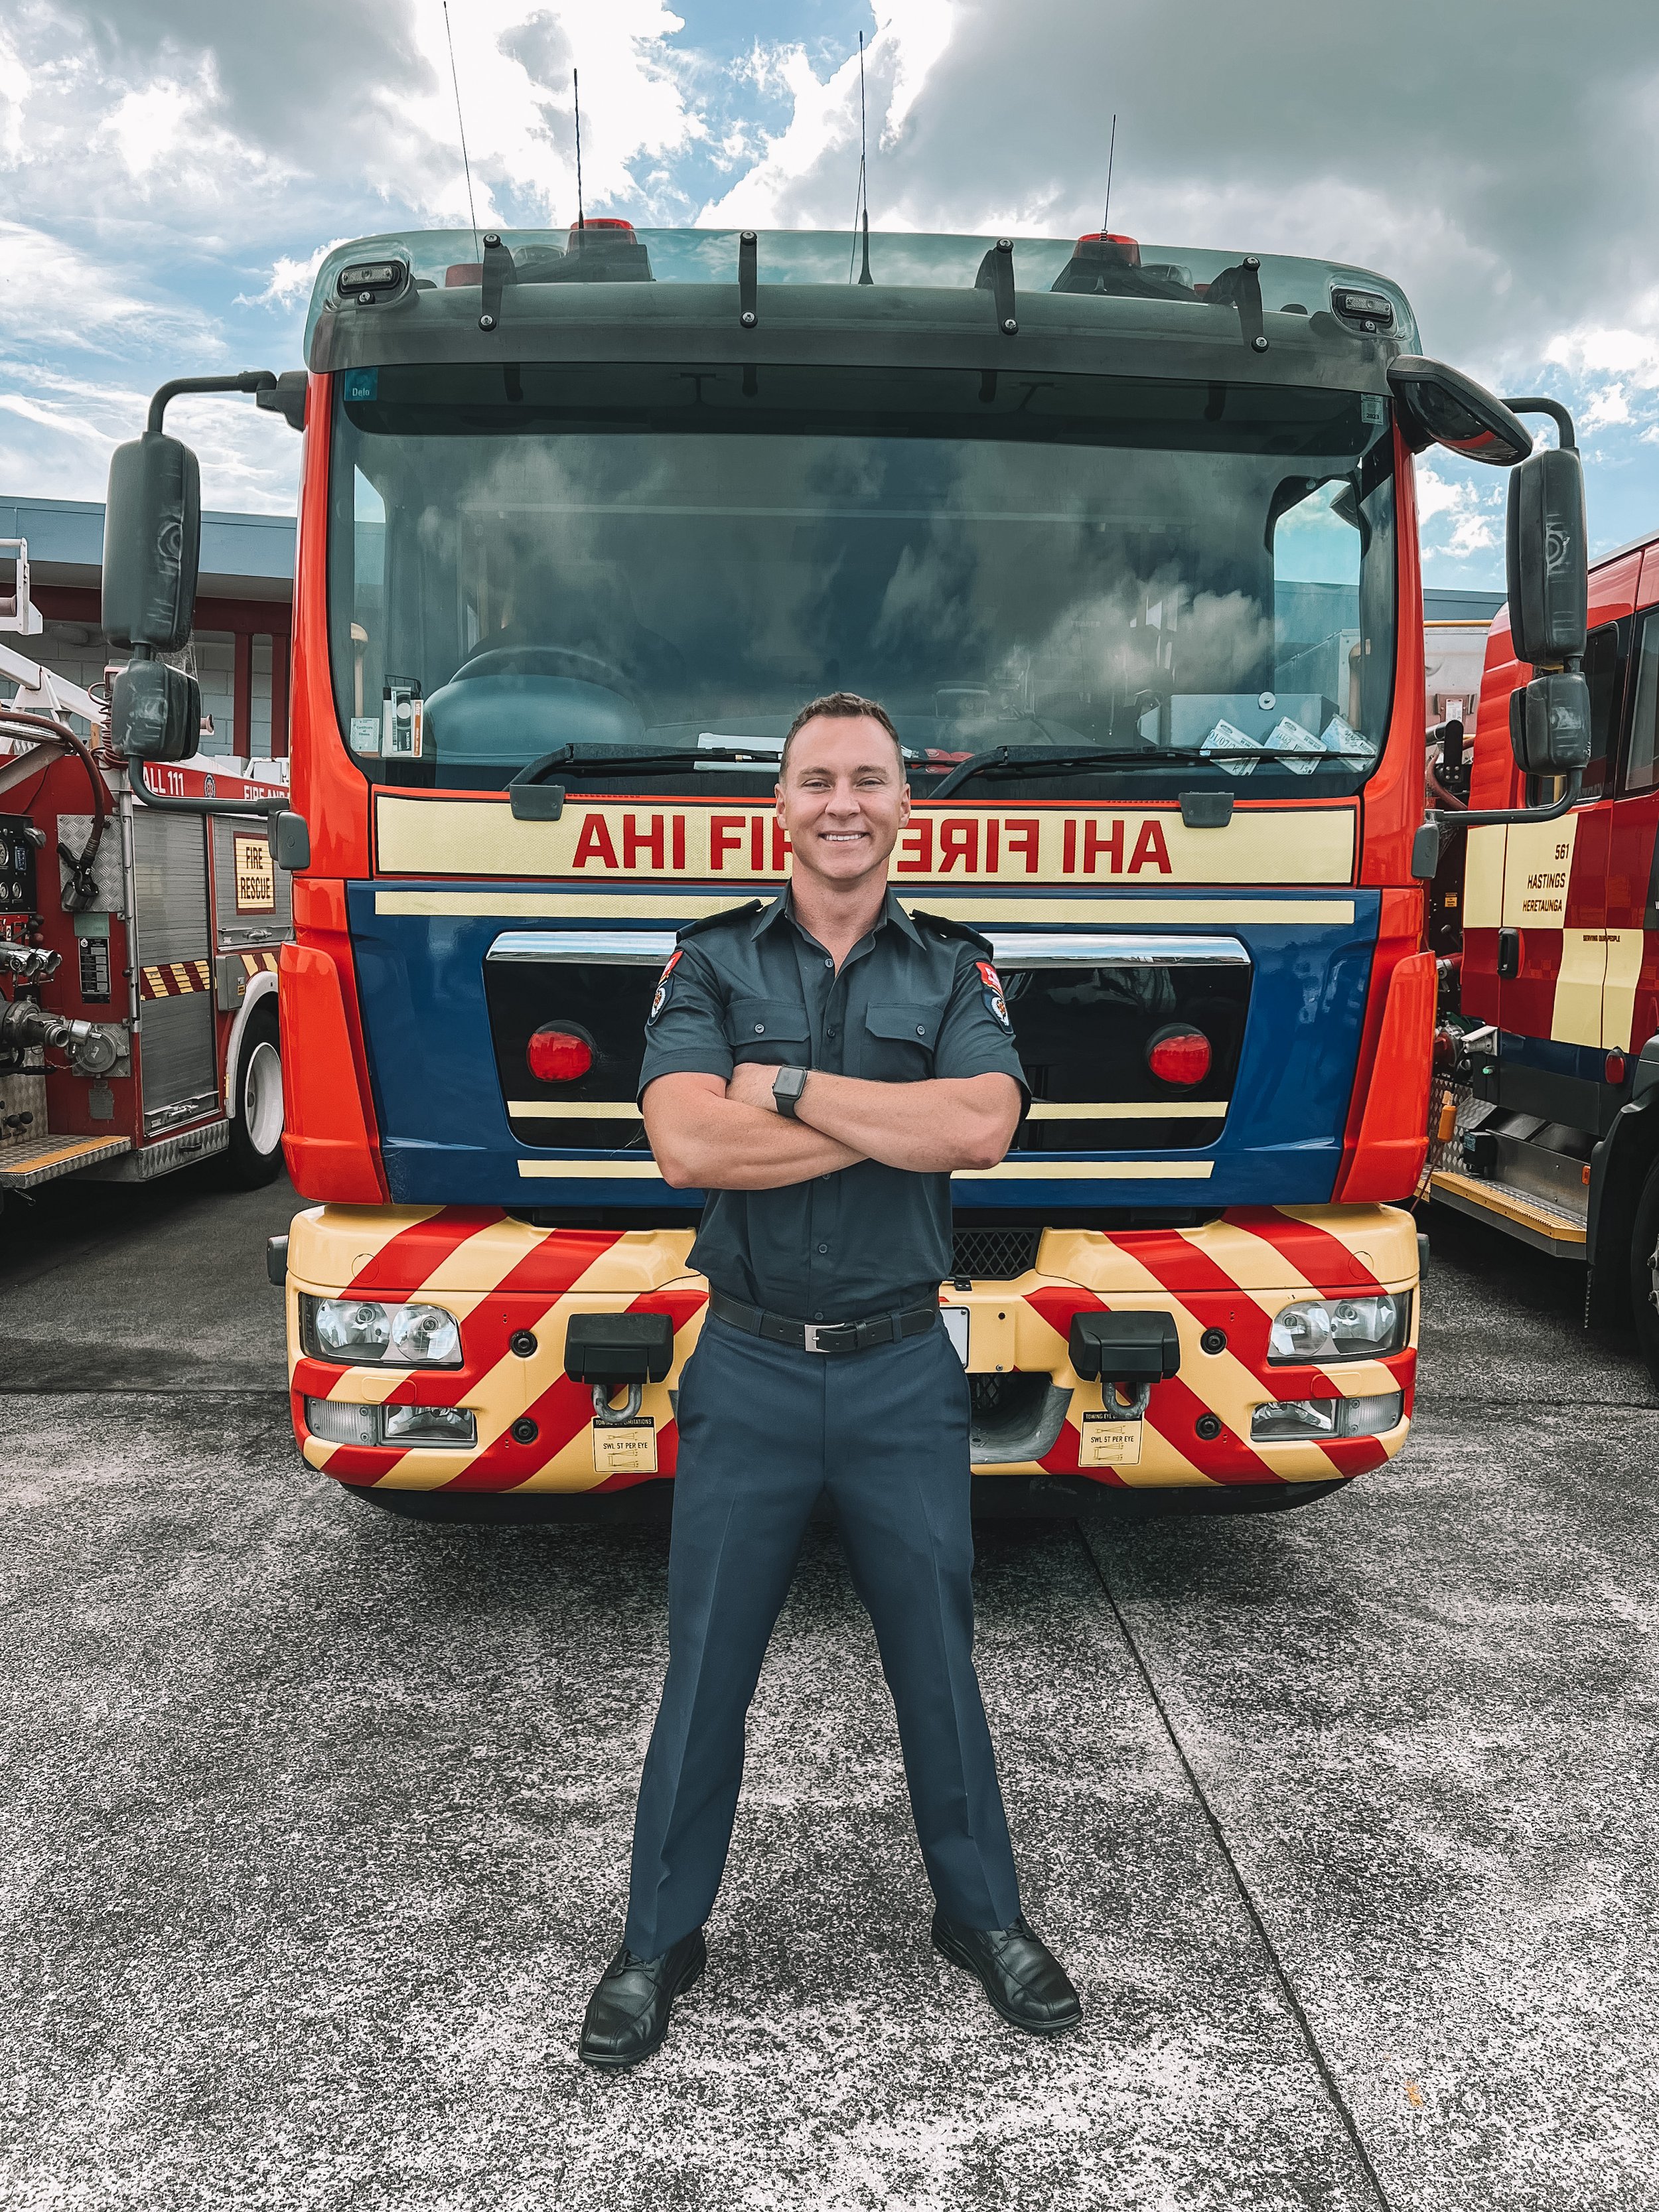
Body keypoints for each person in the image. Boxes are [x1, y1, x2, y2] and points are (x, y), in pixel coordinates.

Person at [578, 692, 1082, 2069]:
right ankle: (657, 1938)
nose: (842, 803)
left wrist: (787, 1091)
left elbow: (980, 1124)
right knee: (705, 1671)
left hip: (896, 1370)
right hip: (743, 1363)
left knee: (938, 1660)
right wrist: (886, 1128)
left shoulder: (953, 969)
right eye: (816, 780)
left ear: (905, 803)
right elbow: (686, 1144)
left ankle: (980, 1916)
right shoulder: (709, 957)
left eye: (867, 778)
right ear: (780, 807)